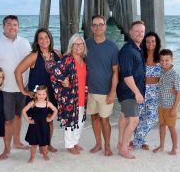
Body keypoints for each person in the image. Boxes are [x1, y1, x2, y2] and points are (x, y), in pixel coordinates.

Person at [0, 15, 32, 158]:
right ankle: (7, 148)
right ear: (3, 26)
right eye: (9, 24)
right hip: (4, 90)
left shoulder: (25, 42)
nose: (12, 27)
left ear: (18, 27)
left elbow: (32, 62)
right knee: (7, 120)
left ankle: (17, 142)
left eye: (15, 24)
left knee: (18, 116)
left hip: (22, 88)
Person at [15, 28, 62, 153]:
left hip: (52, 92)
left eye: (46, 37)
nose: (44, 40)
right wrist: (24, 90)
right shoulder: (34, 56)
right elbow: (18, 71)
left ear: (50, 38)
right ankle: (39, 146)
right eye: (40, 38)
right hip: (38, 95)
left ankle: (47, 144)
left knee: (49, 119)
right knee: (38, 122)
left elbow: (63, 72)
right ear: (37, 41)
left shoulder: (57, 54)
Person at [85, 14, 119, 156]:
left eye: (100, 24)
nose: (98, 27)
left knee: (105, 120)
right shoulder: (86, 44)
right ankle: (98, 143)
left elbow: (116, 71)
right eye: (95, 25)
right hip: (90, 91)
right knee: (93, 117)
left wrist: (113, 91)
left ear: (105, 27)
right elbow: (74, 59)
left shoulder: (112, 47)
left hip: (105, 91)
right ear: (92, 27)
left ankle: (107, 146)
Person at [50, 34, 88, 155]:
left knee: (80, 121)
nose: (78, 46)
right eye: (75, 44)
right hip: (70, 97)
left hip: (82, 95)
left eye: (80, 44)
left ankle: (75, 141)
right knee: (70, 121)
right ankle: (69, 145)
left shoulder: (84, 60)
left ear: (84, 46)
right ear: (71, 46)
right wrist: (63, 80)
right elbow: (53, 70)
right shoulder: (67, 59)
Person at [116, 21, 146, 159]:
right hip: (129, 92)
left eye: (142, 31)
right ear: (130, 32)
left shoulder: (137, 48)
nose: (140, 34)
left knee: (123, 117)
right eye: (137, 31)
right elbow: (127, 76)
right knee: (134, 121)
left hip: (128, 91)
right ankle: (123, 149)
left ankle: (120, 143)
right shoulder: (128, 50)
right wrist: (137, 93)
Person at [132, 32, 162, 150]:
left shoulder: (160, 58)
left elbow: (165, 75)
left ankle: (136, 141)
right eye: (148, 41)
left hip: (154, 91)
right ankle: (141, 140)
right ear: (144, 43)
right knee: (137, 117)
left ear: (156, 43)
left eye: (153, 41)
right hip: (141, 90)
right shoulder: (140, 56)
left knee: (152, 118)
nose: (150, 44)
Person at [153, 49, 180, 155]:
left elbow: (179, 92)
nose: (164, 63)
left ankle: (175, 148)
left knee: (171, 127)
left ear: (172, 60)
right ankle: (161, 146)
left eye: (167, 60)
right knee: (161, 125)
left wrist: (174, 108)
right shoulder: (161, 70)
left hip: (170, 106)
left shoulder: (174, 74)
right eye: (162, 60)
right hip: (161, 105)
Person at [22, 85, 58, 163]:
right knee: (33, 144)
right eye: (39, 94)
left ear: (46, 95)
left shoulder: (47, 103)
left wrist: (50, 118)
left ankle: (45, 154)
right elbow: (24, 110)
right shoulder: (33, 103)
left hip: (44, 126)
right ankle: (32, 157)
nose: (41, 96)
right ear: (36, 94)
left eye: (43, 94)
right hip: (34, 126)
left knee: (44, 143)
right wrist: (28, 120)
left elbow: (55, 110)